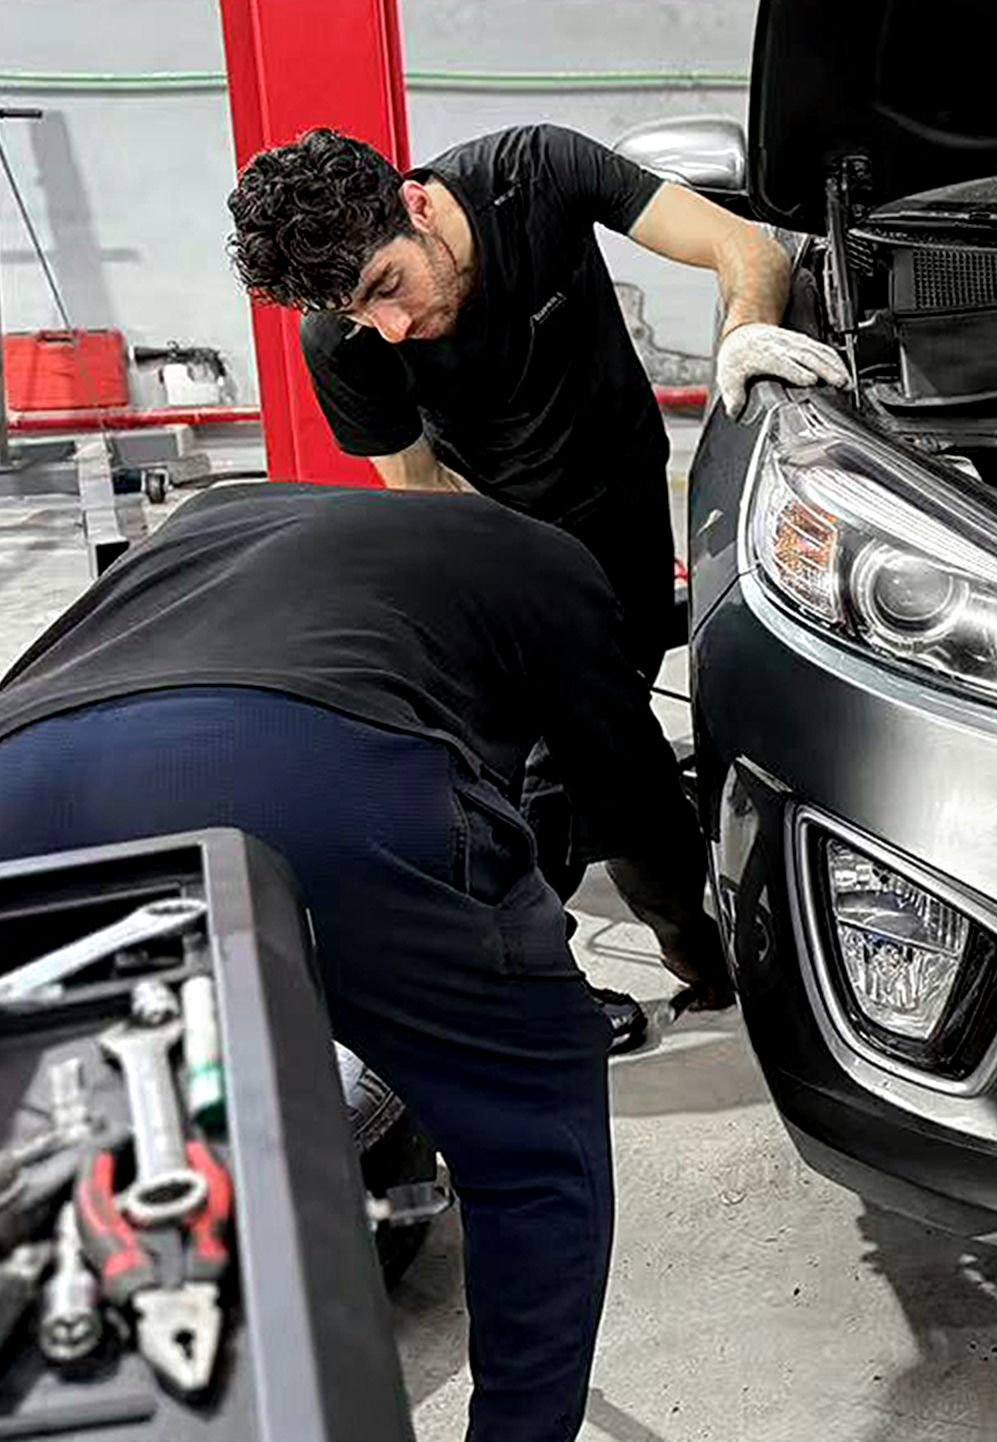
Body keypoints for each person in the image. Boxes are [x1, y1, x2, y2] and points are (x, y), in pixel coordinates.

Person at [0, 483, 735, 1442]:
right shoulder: (555, 562)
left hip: (24, 784)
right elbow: (627, 790)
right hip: (321, 777)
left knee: (70, 1149)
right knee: (530, 1134)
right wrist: (689, 936)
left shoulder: (214, 513)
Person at [224, 124, 849, 919]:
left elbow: (746, 248)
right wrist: (527, 597)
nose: (391, 328)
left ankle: (678, 934)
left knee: (615, 727)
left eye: (387, 285)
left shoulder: (536, 173)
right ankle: (583, 947)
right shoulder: (343, 343)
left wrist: (747, 329)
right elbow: (424, 491)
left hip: (623, 505)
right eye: (357, 311)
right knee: (549, 770)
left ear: (417, 206)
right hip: (503, 540)